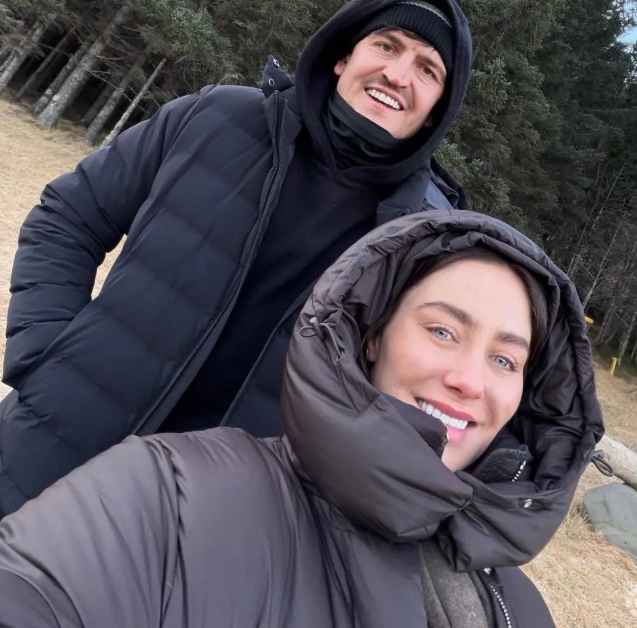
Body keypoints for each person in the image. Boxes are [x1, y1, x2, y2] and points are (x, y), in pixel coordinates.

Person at [0, 208, 604, 628]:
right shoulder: (172, 497)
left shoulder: (521, 609)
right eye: (442, 331)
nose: (470, 380)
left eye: (504, 359)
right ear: (372, 334)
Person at [0, 0, 473, 515]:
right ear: (343, 58)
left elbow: (426, 399)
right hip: (47, 450)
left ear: (435, 112)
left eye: (427, 70)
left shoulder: (424, 242)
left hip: (208, 522)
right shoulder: (215, 117)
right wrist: (45, 357)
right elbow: (70, 215)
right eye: (386, 45)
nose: (398, 74)